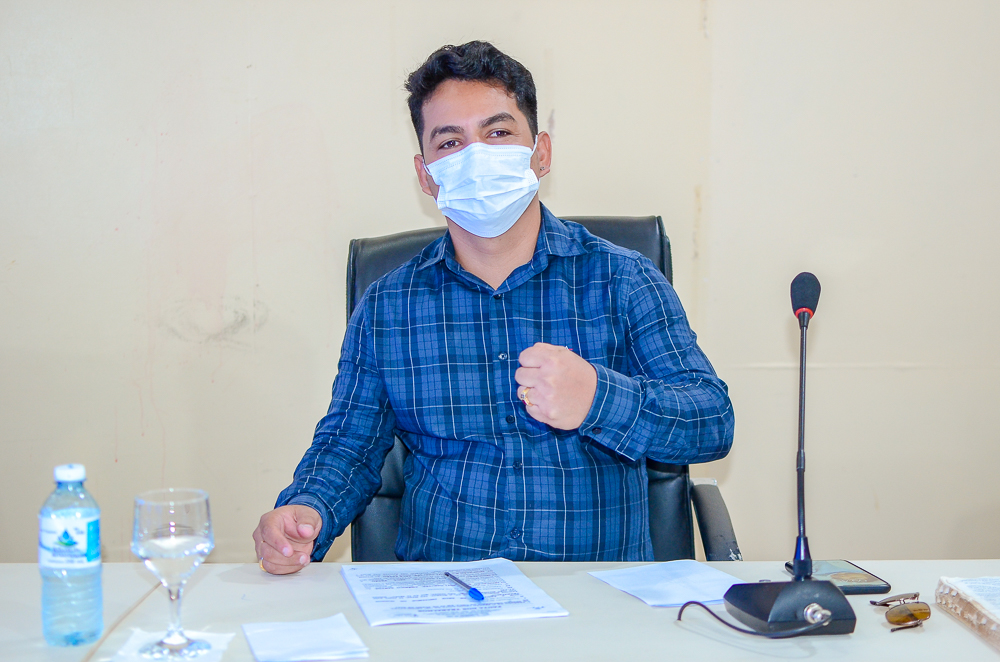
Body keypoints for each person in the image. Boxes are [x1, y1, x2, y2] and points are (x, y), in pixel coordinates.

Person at [253, 41, 734, 573]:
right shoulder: (388, 305)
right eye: (450, 142)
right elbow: (349, 445)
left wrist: (600, 398)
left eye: (498, 133)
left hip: (596, 592)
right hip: (444, 591)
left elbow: (711, 421)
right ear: (425, 175)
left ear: (541, 153)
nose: (475, 156)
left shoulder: (623, 279)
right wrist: (306, 511)